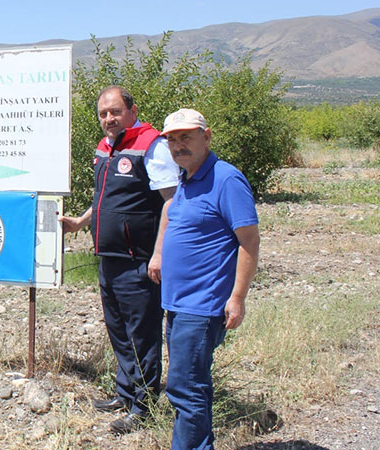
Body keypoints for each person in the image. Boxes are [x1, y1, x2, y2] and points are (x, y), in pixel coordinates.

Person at [59, 86, 179, 433]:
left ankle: (143, 406)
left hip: (138, 259)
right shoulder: (106, 147)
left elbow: (171, 203)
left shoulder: (152, 146)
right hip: (109, 256)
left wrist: (159, 253)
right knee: (118, 330)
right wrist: (80, 222)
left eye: (115, 112)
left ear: (132, 110)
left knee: (142, 333)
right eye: (103, 114)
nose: (108, 119)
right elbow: (105, 197)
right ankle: (125, 393)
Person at [152, 108, 260, 449]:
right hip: (179, 303)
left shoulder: (226, 180)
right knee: (192, 385)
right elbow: (172, 216)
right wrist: (158, 255)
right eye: (172, 139)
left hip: (202, 305)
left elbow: (249, 241)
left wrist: (237, 298)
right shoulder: (186, 178)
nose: (178, 145)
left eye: (186, 137)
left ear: (206, 136)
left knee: (184, 389)